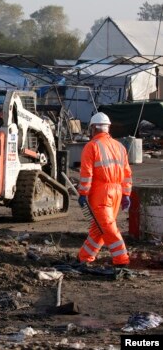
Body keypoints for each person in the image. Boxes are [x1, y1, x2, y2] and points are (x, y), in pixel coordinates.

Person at [77, 112, 132, 267]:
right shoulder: (120, 147)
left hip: (101, 193)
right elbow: (127, 173)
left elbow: (87, 173)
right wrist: (126, 194)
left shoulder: (92, 146)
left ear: (93, 128)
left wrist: (83, 193)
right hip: (117, 193)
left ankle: (122, 260)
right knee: (99, 228)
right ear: (108, 128)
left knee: (107, 227)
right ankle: (84, 257)